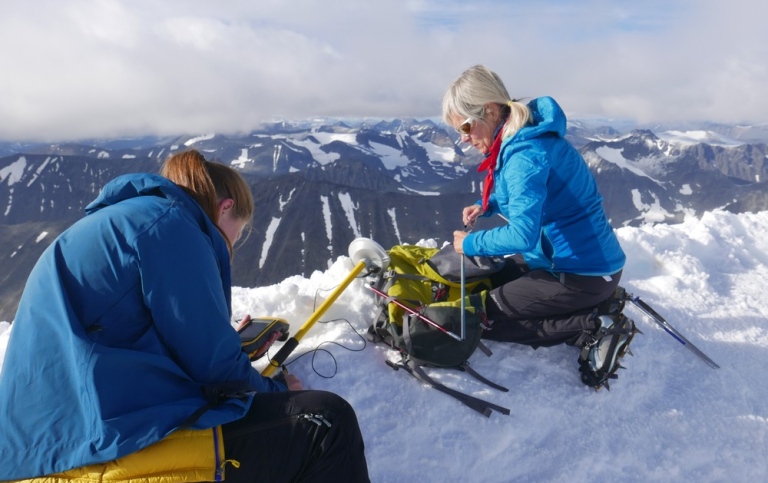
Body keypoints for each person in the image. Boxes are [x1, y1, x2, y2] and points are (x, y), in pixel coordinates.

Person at [0, 150, 370, 482]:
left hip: (43, 436)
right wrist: (276, 389)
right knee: (325, 421)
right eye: (235, 235)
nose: (230, 245)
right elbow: (213, 365)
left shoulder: (126, 219)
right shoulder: (170, 226)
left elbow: (125, 332)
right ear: (224, 209)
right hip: (88, 442)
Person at [443, 65, 637, 390]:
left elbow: (522, 234)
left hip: (578, 273)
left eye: (465, 126)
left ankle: (591, 326)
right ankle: (597, 302)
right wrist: (486, 207)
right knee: (490, 280)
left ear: (490, 110)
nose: (464, 138)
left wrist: (471, 244)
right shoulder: (525, 137)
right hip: (578, 264)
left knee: (479, 316)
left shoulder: (524, 155)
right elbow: (535, 198)